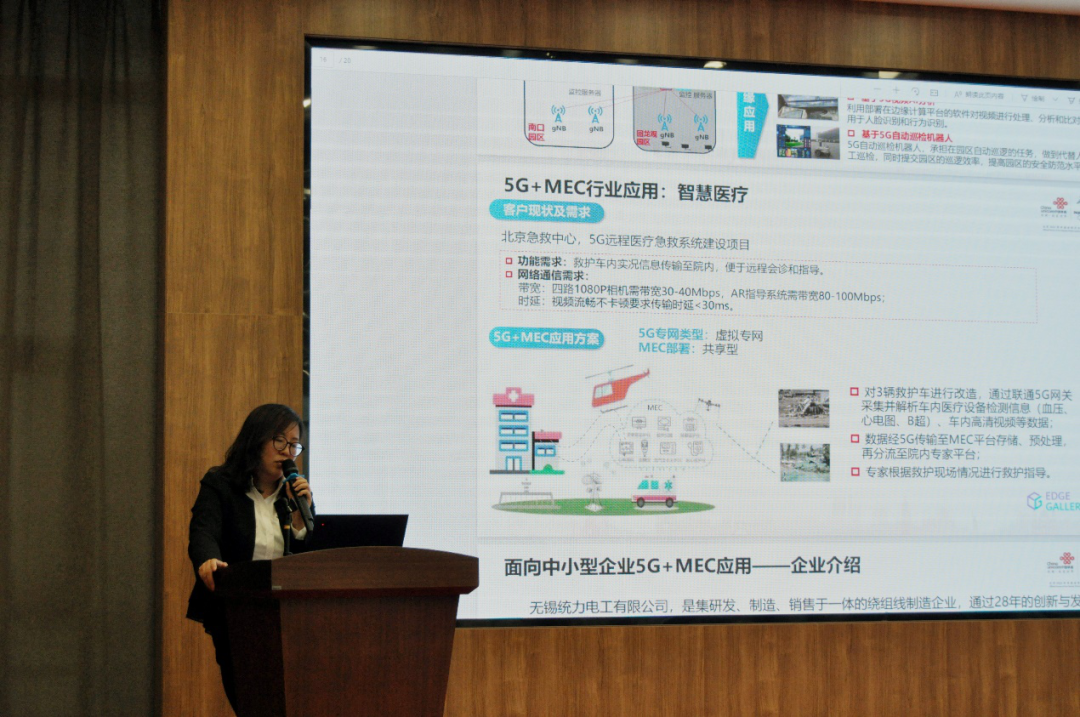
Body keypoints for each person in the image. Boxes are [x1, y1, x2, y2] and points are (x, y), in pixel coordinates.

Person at [185, 403, 314, 713]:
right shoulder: (221, 484)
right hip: (236, 611)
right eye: (279, 441)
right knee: (251, 702)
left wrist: (301, 515)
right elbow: (204, 531)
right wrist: (208, 561)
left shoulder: (295, 495)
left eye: (294, 444)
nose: (287, 452)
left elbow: (311, 556)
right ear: (257, 440)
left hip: (288, 616)